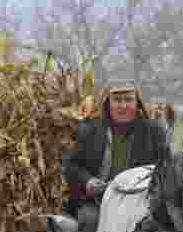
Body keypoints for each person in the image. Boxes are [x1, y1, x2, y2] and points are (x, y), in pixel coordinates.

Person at [61, 79, 165, 224]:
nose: (123, 106)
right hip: (97, 204)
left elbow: (164, 168)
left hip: (140, 204)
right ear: (107, 103)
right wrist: (88, 181)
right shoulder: (90, 129)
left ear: (137, 103)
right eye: (117, 100)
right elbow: (71, 167)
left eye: (129, 100)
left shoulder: (153, 131)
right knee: (85, 221)